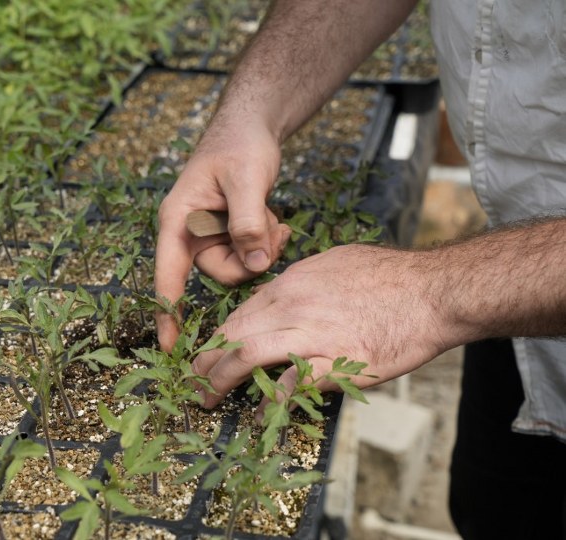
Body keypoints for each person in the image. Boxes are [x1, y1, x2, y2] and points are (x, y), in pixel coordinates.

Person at [153, 0, 566, 538]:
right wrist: (251, 115)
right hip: (521, 313)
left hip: (503, 280)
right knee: (493, 511)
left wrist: (432, 291)